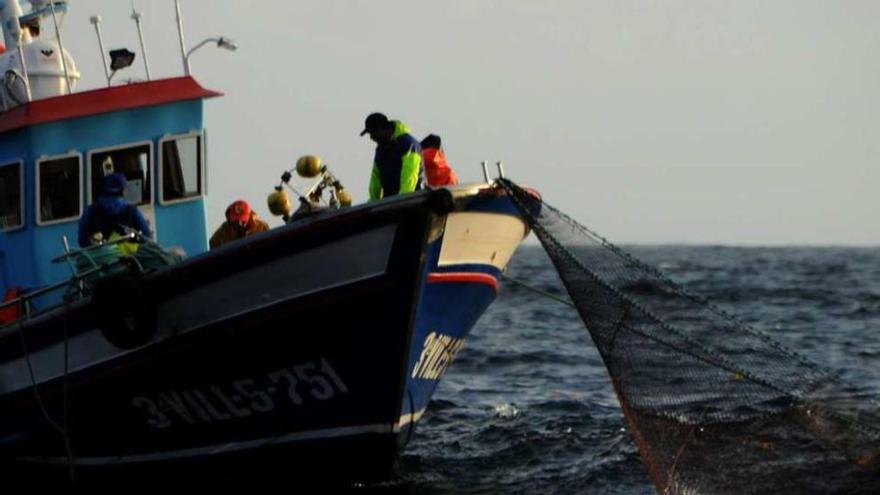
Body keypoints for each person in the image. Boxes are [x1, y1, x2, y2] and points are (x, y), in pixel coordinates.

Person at [78, 173, 152, 247]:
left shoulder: (91, 210)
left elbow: (82, 240)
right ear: (123, 190)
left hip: (99, 257)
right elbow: (146, 236)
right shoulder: (132, 210)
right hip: (130, 257)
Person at [360, 112, 422, 201]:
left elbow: (410, 176)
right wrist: (372, 204)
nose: (371, 137)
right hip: (390, 203)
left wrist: (402, 201)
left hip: (414, 202)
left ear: (383, 128)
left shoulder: (408, 144)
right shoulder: (380, 150)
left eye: (373, 133)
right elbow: (375, 181)